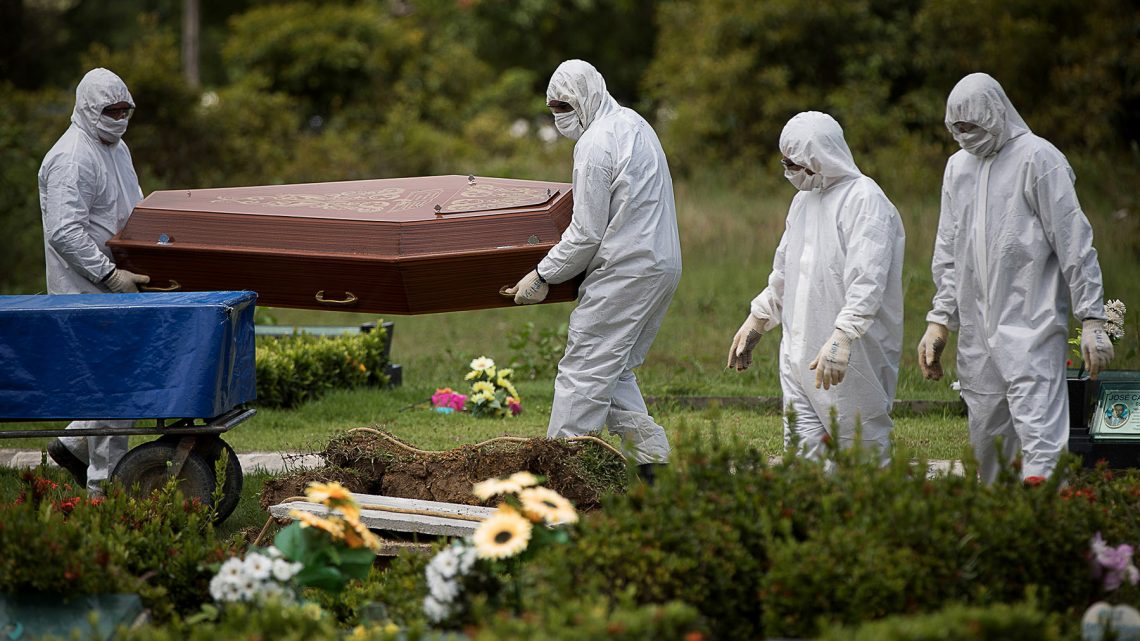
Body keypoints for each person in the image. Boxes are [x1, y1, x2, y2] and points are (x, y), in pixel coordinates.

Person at [918, 72, 1114, 483]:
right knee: (987, 444)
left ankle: (1046, 528)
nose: (965, 135)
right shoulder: (958, 169)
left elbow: (1073, 241)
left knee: (1040, 440)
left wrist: (1093, 317)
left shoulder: (1038, 159)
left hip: (1032, 325)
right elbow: (949, 250)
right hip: (977, 335)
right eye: (956, 129)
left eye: (971, 126)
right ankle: (998, 532)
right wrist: (940, 321)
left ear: (995, 114)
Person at [504, 60, 681, 479]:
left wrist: (542, 274)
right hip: (661, 263)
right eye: (552, 107)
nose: (559, 115)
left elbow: (585, 234)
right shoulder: (633, 124)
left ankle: (564, 472)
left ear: (584, 97)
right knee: (614, 366)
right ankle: (651, 464)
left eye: (564, 105)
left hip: (627, 268)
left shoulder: (594, 145)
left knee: (584, 367)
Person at [727, 111, 905, 467]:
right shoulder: (804, 201)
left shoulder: (865, 201)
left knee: (861, 454)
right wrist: (758, 319)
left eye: (794, 164)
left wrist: (844, 335)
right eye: (785, 162)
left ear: (819, 160)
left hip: (851, 357)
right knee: (805, 463)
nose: (788, 171)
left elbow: (867, 279)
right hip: (799, 355)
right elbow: (785, 272)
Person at [40, 67, 149, 496]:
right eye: (110, 110)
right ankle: (105, 488)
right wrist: (109, 274)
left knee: (123, 379)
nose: (119, 116)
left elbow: (129, 206)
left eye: (125, 109)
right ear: (88, 109)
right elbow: (64, 231)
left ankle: (71, 444)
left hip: (115, 284)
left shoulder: (116, 147)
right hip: (84, 291)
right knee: (113, 386)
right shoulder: (72, 157)